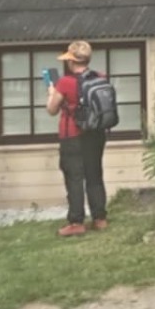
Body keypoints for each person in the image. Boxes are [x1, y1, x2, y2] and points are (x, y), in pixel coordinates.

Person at [50, 41, 109, 237]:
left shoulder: (65, 82)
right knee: (94, 175)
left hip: (72, 135)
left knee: (74, 177)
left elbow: (52, 109)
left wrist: (51, 93)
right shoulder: (100, 77)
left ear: (72, 61)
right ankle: (100, 218)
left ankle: (76, 222)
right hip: (96, 133)